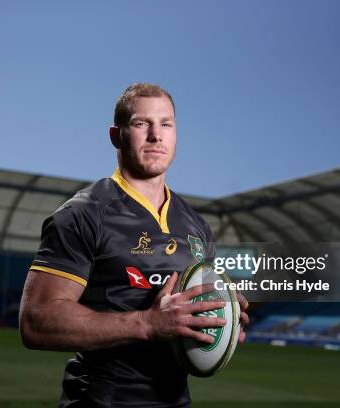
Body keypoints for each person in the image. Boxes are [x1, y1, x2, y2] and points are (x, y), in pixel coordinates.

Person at [20, 83, 249, 407]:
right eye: (142, 123)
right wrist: (147, 324)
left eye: (166, 124)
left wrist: (221, 319)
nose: (157, 135)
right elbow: (36, 321)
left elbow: (191, 324)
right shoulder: (83, 214)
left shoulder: (197, 226)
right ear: (117, 135)